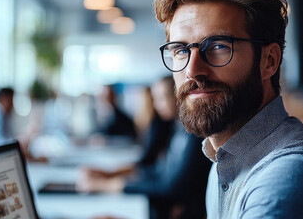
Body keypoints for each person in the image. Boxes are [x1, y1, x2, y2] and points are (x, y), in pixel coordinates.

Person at [154, 0, 303, 218]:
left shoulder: (289, 178)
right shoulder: (223, 164)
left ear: (269, 61)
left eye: (219, 46)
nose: (192, 70)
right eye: (181, 50)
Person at [78, 76, 211, 219]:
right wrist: (111, 177)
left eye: (161, 98)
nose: (156, 106)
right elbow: (157, 170)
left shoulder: (193, 134)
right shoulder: (176, 127)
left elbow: (170, 187)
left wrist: (109, 185)